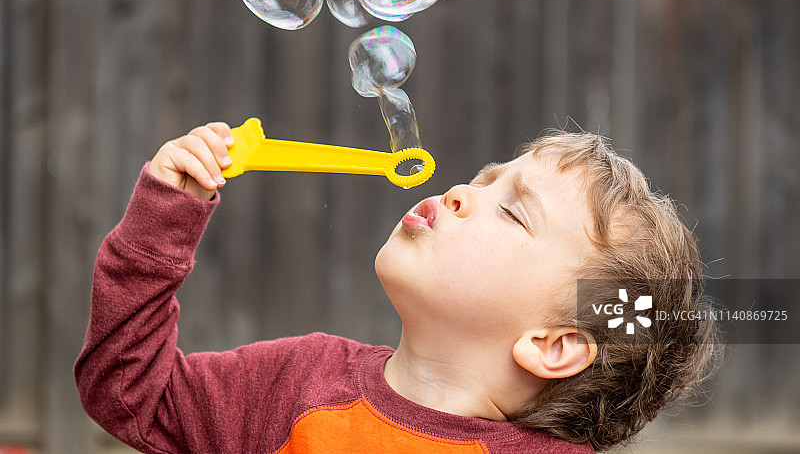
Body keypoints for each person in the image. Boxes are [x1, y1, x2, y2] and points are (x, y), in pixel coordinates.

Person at [75, 122, 720, 453]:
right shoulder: (293, 384)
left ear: (552, 344)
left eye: (514, 211)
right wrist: (166, 218)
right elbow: (133, 392)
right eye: (484, 178)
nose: (465, 193)